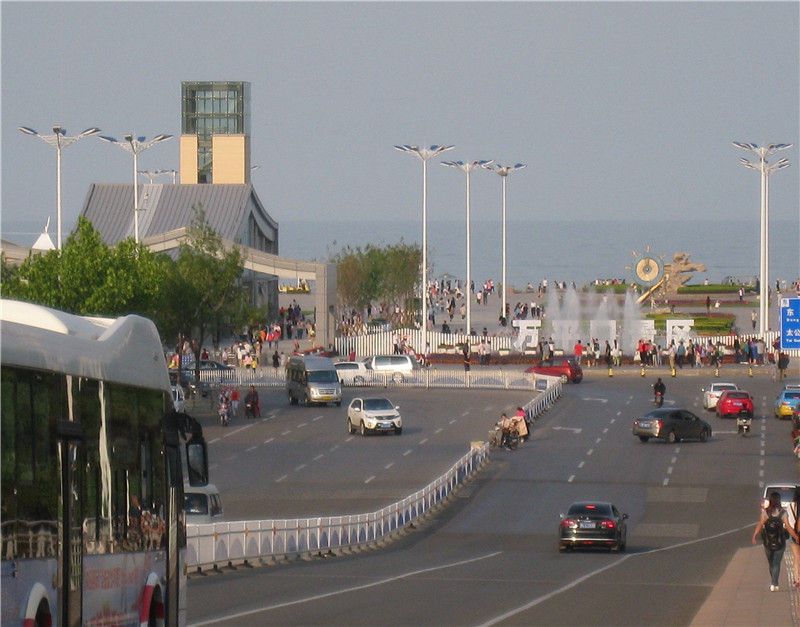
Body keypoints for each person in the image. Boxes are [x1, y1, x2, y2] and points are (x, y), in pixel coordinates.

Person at [752, 492, 799, 591]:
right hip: (780, 541)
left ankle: (773, 581)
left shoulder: (766, 513)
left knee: (771, 563)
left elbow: (760, 524)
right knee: (777, 563)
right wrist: (796, 536)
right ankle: (774, 583)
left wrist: (755, 535)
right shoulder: (783, 513)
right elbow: (788, 527)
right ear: (779, 501)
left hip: (768, 541)